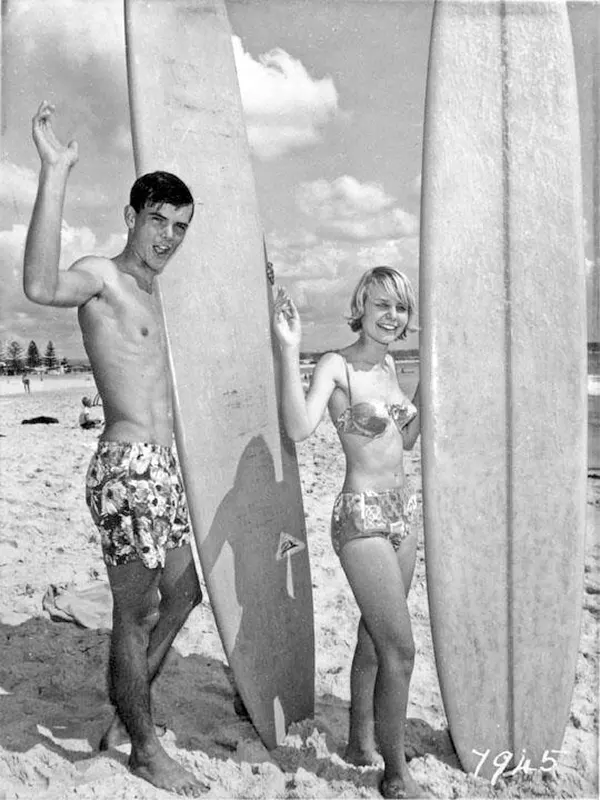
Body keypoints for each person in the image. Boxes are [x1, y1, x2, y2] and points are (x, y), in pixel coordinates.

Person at [23, 101, 208, 797]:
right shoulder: (101, 276)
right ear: (131, 216)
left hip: (163, 471)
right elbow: (39, 286)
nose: (167, 236)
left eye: (180, 227)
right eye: (157, 220)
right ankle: (145, 749)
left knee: (185, 592)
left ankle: (121, 711)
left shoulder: (157, 294)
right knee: (134, 615)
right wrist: (55, 171)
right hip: (126, 469)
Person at [273, 266, 424, 799]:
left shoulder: (388, 365)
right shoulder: (337, 364)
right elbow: (298, 426)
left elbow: (403, 441)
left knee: (372, 635)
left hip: (403, 510)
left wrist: (429, 382)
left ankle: (362, 742)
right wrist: (290, 349)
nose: (392, 316)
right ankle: (395, 774)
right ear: (360, 306)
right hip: (361, 515)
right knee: (400, 651)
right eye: (382, 305)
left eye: (401, 308)